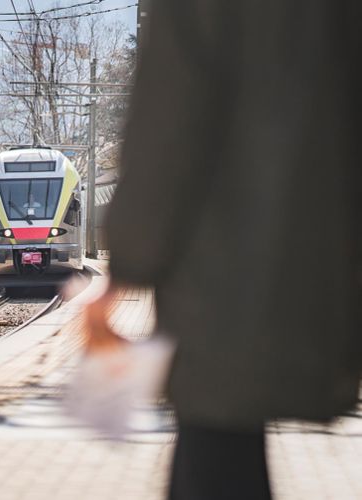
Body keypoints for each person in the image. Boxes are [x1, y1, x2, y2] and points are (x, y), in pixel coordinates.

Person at [83, 1, 360, 499]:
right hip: (328, 264)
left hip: (223, 278)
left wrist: (125, 267)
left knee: (217, 447)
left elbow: (169, 125)